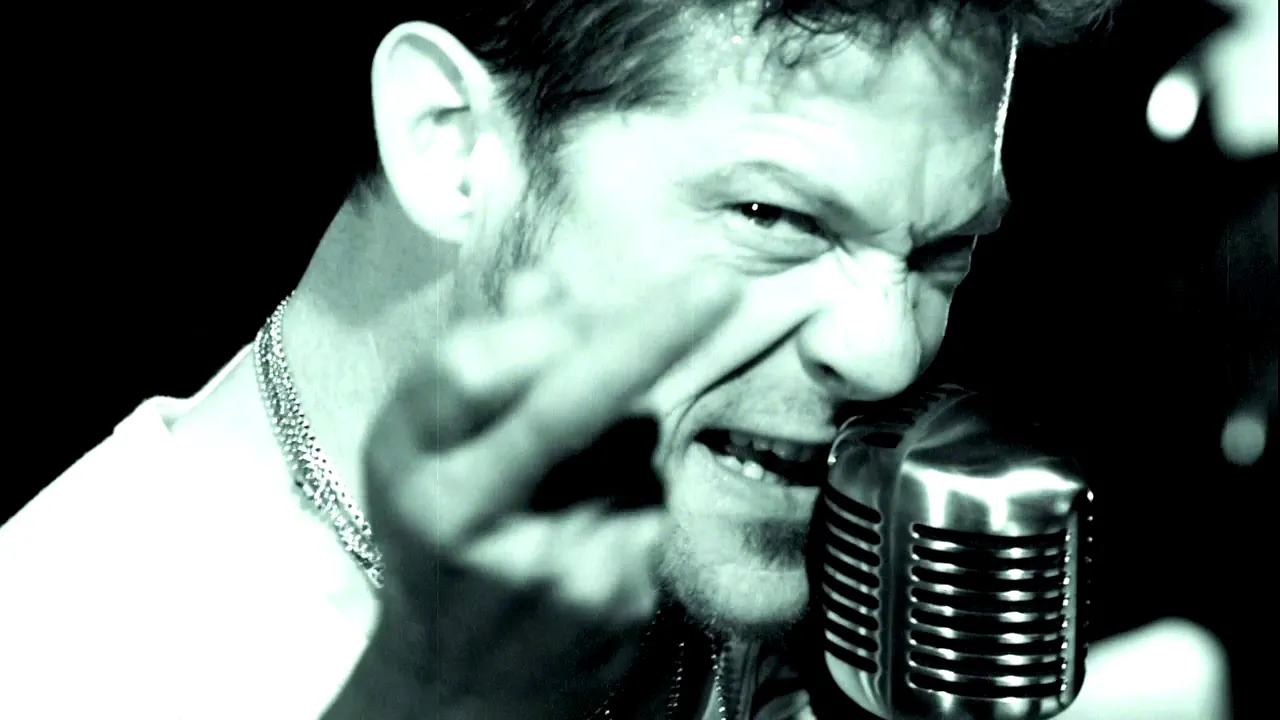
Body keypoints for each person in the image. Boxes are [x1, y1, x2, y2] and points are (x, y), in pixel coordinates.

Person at [0, 1, 1251, 718]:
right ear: (452, 147)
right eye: (772, 217)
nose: (884, 350)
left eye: (940, 251)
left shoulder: (734, 577)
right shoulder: (73, 658)